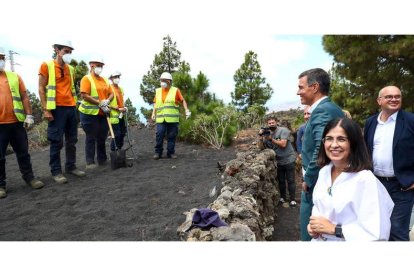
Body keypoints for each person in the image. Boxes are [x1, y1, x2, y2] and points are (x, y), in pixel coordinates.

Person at [308, 118, 394, 241]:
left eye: (341, 139)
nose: (334, 145)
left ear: (353, 143)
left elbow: (377, 233)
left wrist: (334, 229)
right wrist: (314, 226)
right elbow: (318, 206)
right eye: (329, 138)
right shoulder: (324, 172)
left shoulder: (365, 180)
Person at [297, 68, 345, 241]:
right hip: (323, 179)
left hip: (318, 182)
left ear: (315, 87)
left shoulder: (323, 110)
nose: (298, 92)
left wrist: (308, 178)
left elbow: (320, 146)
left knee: (309, 231)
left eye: (301, 87)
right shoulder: (329, 108)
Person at [364, 85, 414, 241]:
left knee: (397, 231)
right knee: (378, 229)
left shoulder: (411, 121)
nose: (394, 99)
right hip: (376, 185)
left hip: (402, 186)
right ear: (379, 100)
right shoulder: (371, 122)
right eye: (389, 96)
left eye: (397, 96)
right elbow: (366, 150)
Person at [38, 40, 85, 184]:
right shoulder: (47, 66)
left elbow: (71, 88)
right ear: (57, 50)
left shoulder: (70, 69)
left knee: (72, 140)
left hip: (71, 108)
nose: (68, 54)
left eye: (70, 52)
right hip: (56, 109)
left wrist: (74, 106)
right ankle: (56, 171)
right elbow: (41, 88)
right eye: (66, 51)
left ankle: (71, 166)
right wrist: (46, 110)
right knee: (56, 141)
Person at [0, 47, 44, 198]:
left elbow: (24, 96)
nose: (0, 60)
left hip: (16, 122)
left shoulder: (14, 76)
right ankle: (1, 185)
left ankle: (29, 177)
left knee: (23, 153)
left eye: (1, 57)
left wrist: (29, 115)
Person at [78, 57, 113, 169]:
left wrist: (107, 101)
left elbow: (111, 93)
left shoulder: (105, 80)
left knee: (102, 136)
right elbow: (84, 95)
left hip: (103, 113)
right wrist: (100, 103)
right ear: (92, 65)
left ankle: (102, 159)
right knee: (91, 136)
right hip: (89, 113)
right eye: (98, 65)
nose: (100, 68)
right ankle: (90, 162)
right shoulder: (86, 79)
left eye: (101, 66)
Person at [258, 115, 297, 206]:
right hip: (278, 161)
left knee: (290, 180)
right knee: (281, 181)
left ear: (276, 122)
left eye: (273, 122)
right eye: (269, 123)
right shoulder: (266, 134)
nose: (271, 124)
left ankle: (292, 200)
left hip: (289, 159)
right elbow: (261, 148)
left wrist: (272, 139)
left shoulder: (283, 130)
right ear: (267, 124)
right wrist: (260, 137)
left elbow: (283, 144)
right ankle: (282, 198)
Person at [151, 72, 190, 160]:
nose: (162, 82)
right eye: (161, 80)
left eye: (164, 80)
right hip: (161, 118)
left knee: (171, 136)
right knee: (159, 134)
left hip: (172, 119)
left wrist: (186, 110)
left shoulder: (175, 90)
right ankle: (158, 152)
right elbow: (155, 103)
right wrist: (153, 113)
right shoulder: (158, 91)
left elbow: (183, 100)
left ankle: (170, 152)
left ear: (169, 81)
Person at [108, 70, 127, 151]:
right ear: (111, 79)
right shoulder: (109, 88)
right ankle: (113, 152)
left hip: (121, 115)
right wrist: (117, 108)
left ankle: (119, 150)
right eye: (115, 77)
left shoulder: (121, 89)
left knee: (122, 133)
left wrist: (124, 108)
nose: (117, 78)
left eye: (118, 77)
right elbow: (106, 103)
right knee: (116, 135)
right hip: (113, 116)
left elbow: (122, 101)